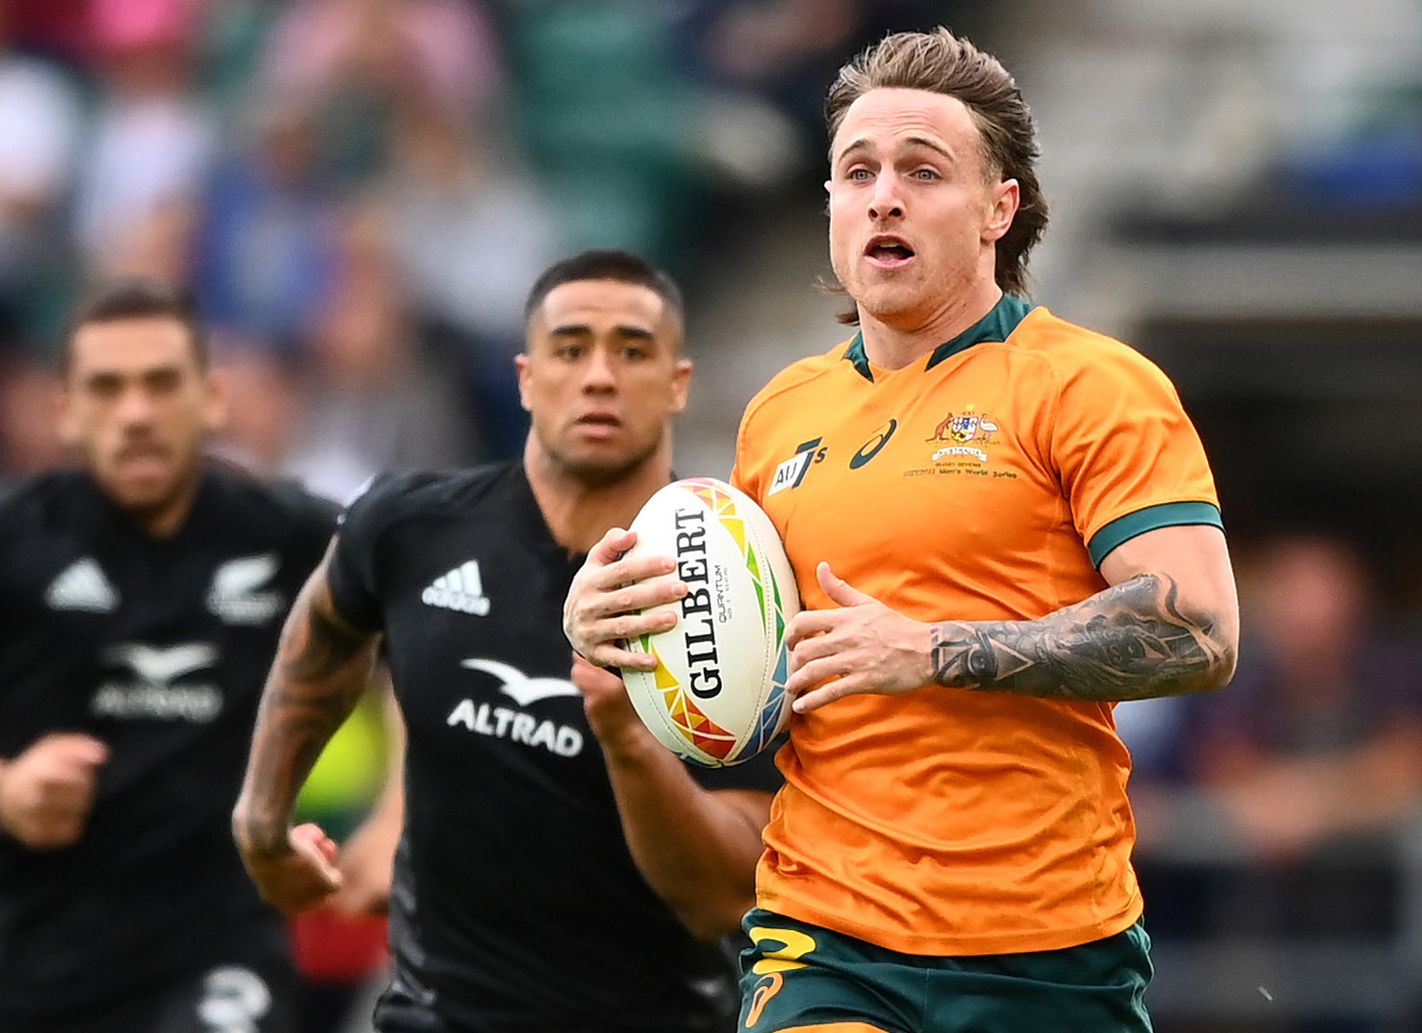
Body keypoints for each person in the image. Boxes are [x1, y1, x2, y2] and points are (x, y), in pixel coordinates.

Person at [565, 29, 1241, 1033]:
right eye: (858, 171)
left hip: (1048, 949)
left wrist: (932, 649)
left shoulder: (1090, 384)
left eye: (924, 172)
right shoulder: (779, 417)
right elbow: (745, 684)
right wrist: (629, 634)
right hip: (824, 932)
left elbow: (1200, 629)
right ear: (831, 206)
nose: (884, 195)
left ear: (997, 210)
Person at [231, 249, 780, 1033]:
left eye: (631, 349)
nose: (599, 375)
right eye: (570, 348)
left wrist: (625, 736)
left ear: (678, 384)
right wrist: (263, 818)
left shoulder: (733, 597)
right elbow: (325, 631)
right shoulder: (411, 528)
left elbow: (722, 894)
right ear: (526, 377)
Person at [0, 280, 337, 1033]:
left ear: (212, 398)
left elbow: (429, 630)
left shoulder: (289, 537)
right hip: (35, 960)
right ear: (64, 411)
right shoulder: (15, 540)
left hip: (218, 949)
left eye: (160, 383)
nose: (136, 413)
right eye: (107, 388)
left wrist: (392, 825)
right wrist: (8, 788)